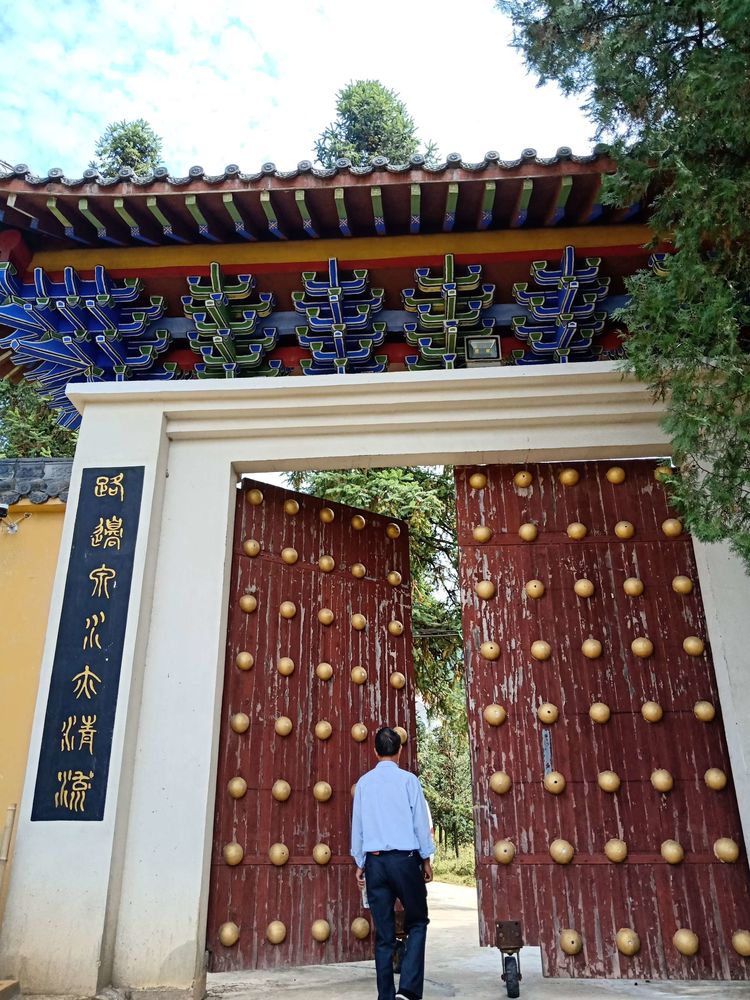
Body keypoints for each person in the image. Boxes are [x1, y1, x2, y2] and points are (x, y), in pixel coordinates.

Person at [351, 726, 435, 1000]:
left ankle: (385, 995)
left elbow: (358, 826)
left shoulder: (364, 783)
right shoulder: (409, 781)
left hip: (375, 864)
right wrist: (426, 858)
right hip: (405, 861)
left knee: (384, 934)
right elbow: (420, 823)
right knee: (417, 922)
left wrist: (360, 862)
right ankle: (408, 991)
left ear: (375, 751)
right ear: (400, 750)